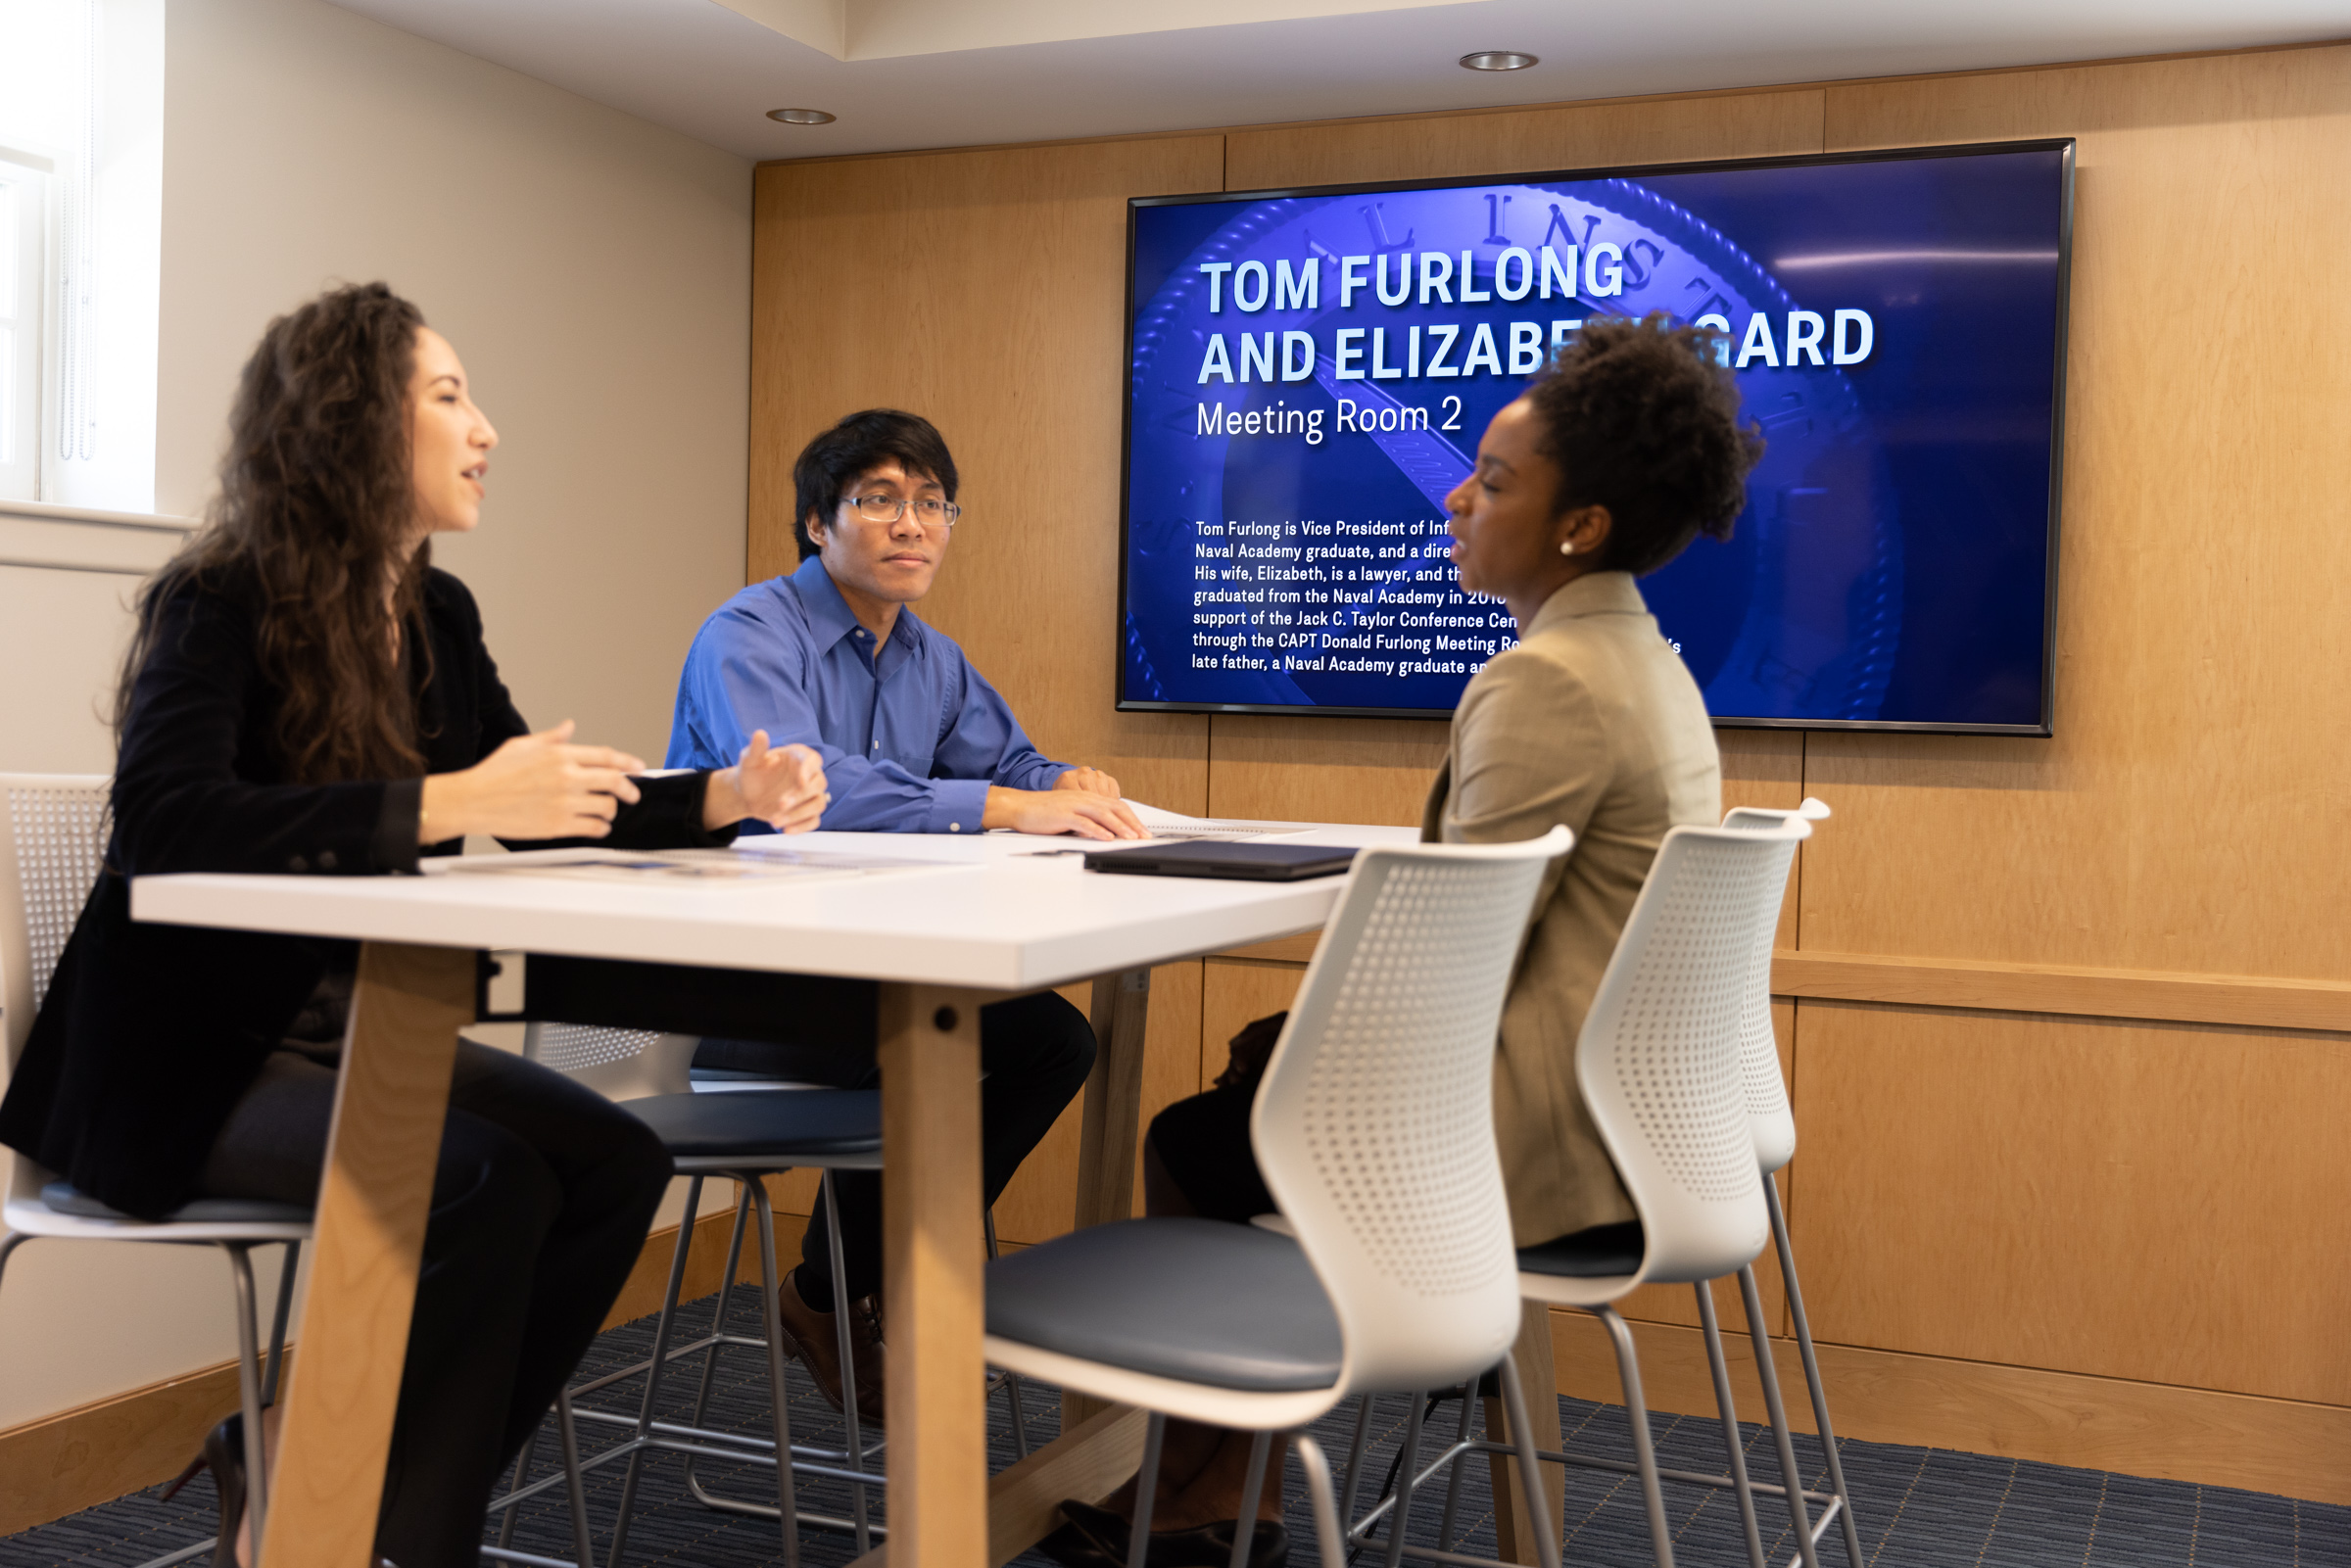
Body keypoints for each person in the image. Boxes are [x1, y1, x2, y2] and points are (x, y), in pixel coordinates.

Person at [0, 283, 829, 1568]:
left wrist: (721, 799)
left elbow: (537, 796)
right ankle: (390, 1531)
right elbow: (168, 818)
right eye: (450, 397)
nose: (487, 428)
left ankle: (299, 1467)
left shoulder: (434, 614)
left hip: (355, 1032)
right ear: (345, 423)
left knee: (617, 1162)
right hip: (184, 1060)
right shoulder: (218, 596)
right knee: (482, 1185)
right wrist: (448, 800)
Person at [1050, 314, 1765, 1567]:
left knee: (1201, 1135)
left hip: (1535, 1147)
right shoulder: (1641, 657)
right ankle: (1225, 1481)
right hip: (1633, 1118)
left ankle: (1220, 1482)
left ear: (1577, 524)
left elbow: (1447, 964)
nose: (1451, 492)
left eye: (1492, 480)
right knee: (1254, 1078)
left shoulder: (1546, 679)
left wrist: (1296, 1047)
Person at [665, 407, 1134, 1420]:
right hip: (747, 994)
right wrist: (1010, 804)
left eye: (931, 503)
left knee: (1051, 1038)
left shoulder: (931, 655)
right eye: (879, 500)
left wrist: (1064, 778)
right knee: (929, 1046)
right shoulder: (747, 632)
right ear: (815, 523)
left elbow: (1007, 764)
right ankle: (884, 1285)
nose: (910, 524)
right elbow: (806, 780)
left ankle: (830, 1289)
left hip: (867, 979)